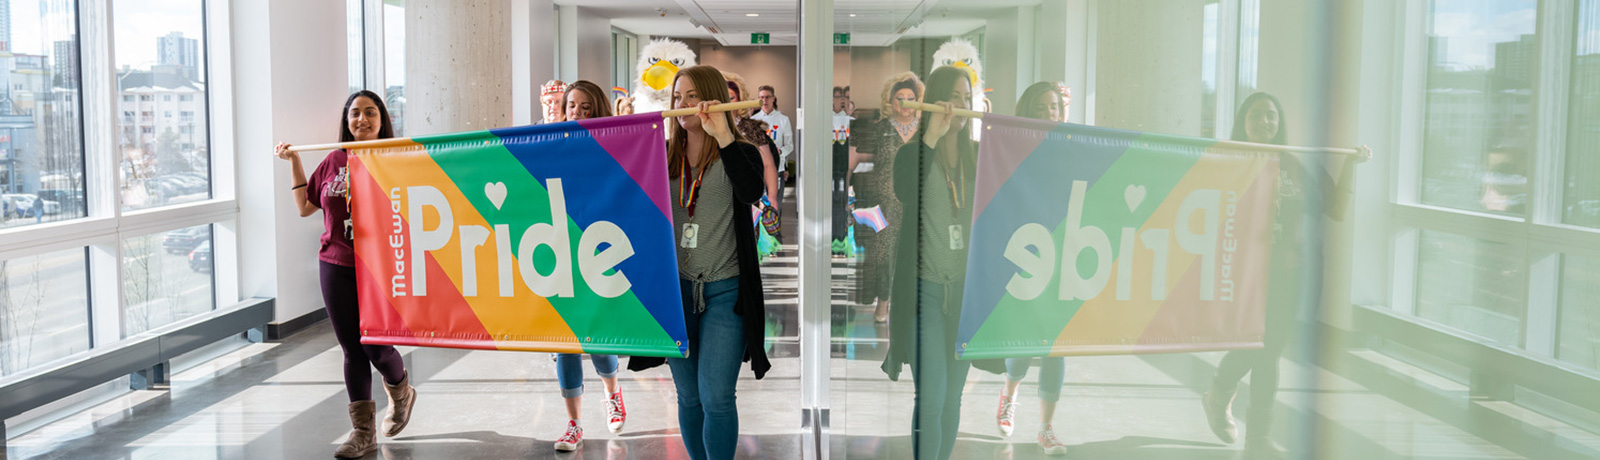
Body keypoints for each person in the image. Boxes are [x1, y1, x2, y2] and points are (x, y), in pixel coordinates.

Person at [626, 65, 771, 460]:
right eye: (677, 97)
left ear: (714, 101)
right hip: (675, 294)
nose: (684, 104)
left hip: (726, 291)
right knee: (689, 397)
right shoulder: (661, 156)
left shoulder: (738, 151)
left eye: (693, 96)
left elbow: (752, 191)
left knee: (716, 396)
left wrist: (723, 134)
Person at [1200, 91, 1345, 458]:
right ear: (1242, 122)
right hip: (1246, 273)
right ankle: (1221, 393)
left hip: (1290, 273)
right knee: (1254, 344)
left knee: (1270, 352)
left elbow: (1336, 208)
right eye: (1256, 115)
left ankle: (1255, 436)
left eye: (1271, 116)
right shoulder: (1230, 162)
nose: (1265, 122)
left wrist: (1353, 165)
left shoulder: (1294, 164)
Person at [273, 90, 417, 459]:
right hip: (335, 265)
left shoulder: (397, 158)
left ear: (382, 120)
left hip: (379, 268)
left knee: (376, 347)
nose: (362, 120)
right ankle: (362, 433)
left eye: (370, 113)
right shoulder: (334, 159)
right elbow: (306, 207)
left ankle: (401, 390)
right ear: (347, 120)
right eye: (355, 113)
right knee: (352, 350)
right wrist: (294, 162)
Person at [880, 65, 977, 460]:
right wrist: (932, 135)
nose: (960, 106)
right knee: (932, 395)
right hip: (925, 291)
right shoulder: (913, 154)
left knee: (953, 398)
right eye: (952, 97)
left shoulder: (978, 157)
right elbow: (906, 192)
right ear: (934, 100)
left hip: (967, 295)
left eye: (966, 99)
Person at [550, 79, 628, 452]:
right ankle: (574, 424)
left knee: (597, 332)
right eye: (571, 107)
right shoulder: (551, 146)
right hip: (558, 251)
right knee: (564, 340)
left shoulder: (611, 148)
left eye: (585, 108)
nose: (577, 114)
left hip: (596, 251)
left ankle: (613, 392)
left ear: (598, 110)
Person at [993, 81, 1070, 456]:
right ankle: (1009, 392)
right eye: (1040, 107)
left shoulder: (1070, 148)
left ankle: (1046, 427)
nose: (1048, 114)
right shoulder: (1014, 148)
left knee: (1056, 344)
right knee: (1025, 338)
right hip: (1025, 253)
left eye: (1054, 107)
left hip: (1063, 253)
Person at [853, 72, 922, 323]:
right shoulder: (881, 129)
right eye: (899, 98)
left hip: (917, 200)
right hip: (885, 199)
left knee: (915, 252)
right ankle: (883, 302)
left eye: (910, 98)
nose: (905, 103)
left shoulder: (926, 131)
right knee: (883, 252)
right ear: (891, 101)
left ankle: (912, 303)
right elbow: (859, 159)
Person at [721, 71, 782, 243]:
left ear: (740, 100)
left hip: (747, 198)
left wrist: (771, 198)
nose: (726, 102)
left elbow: (768, 163)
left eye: (731, 98)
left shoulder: (749, 128)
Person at [750, 85, 794, 184]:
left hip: (778, 168)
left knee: (775, 199)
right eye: (761, 97)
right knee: (761, 199)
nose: (764, 100)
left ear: (773, 98)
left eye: (767, 97)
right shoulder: (753, 120)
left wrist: (780, 151)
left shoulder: (784, 119)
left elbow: (790, 145)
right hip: (759, 167)